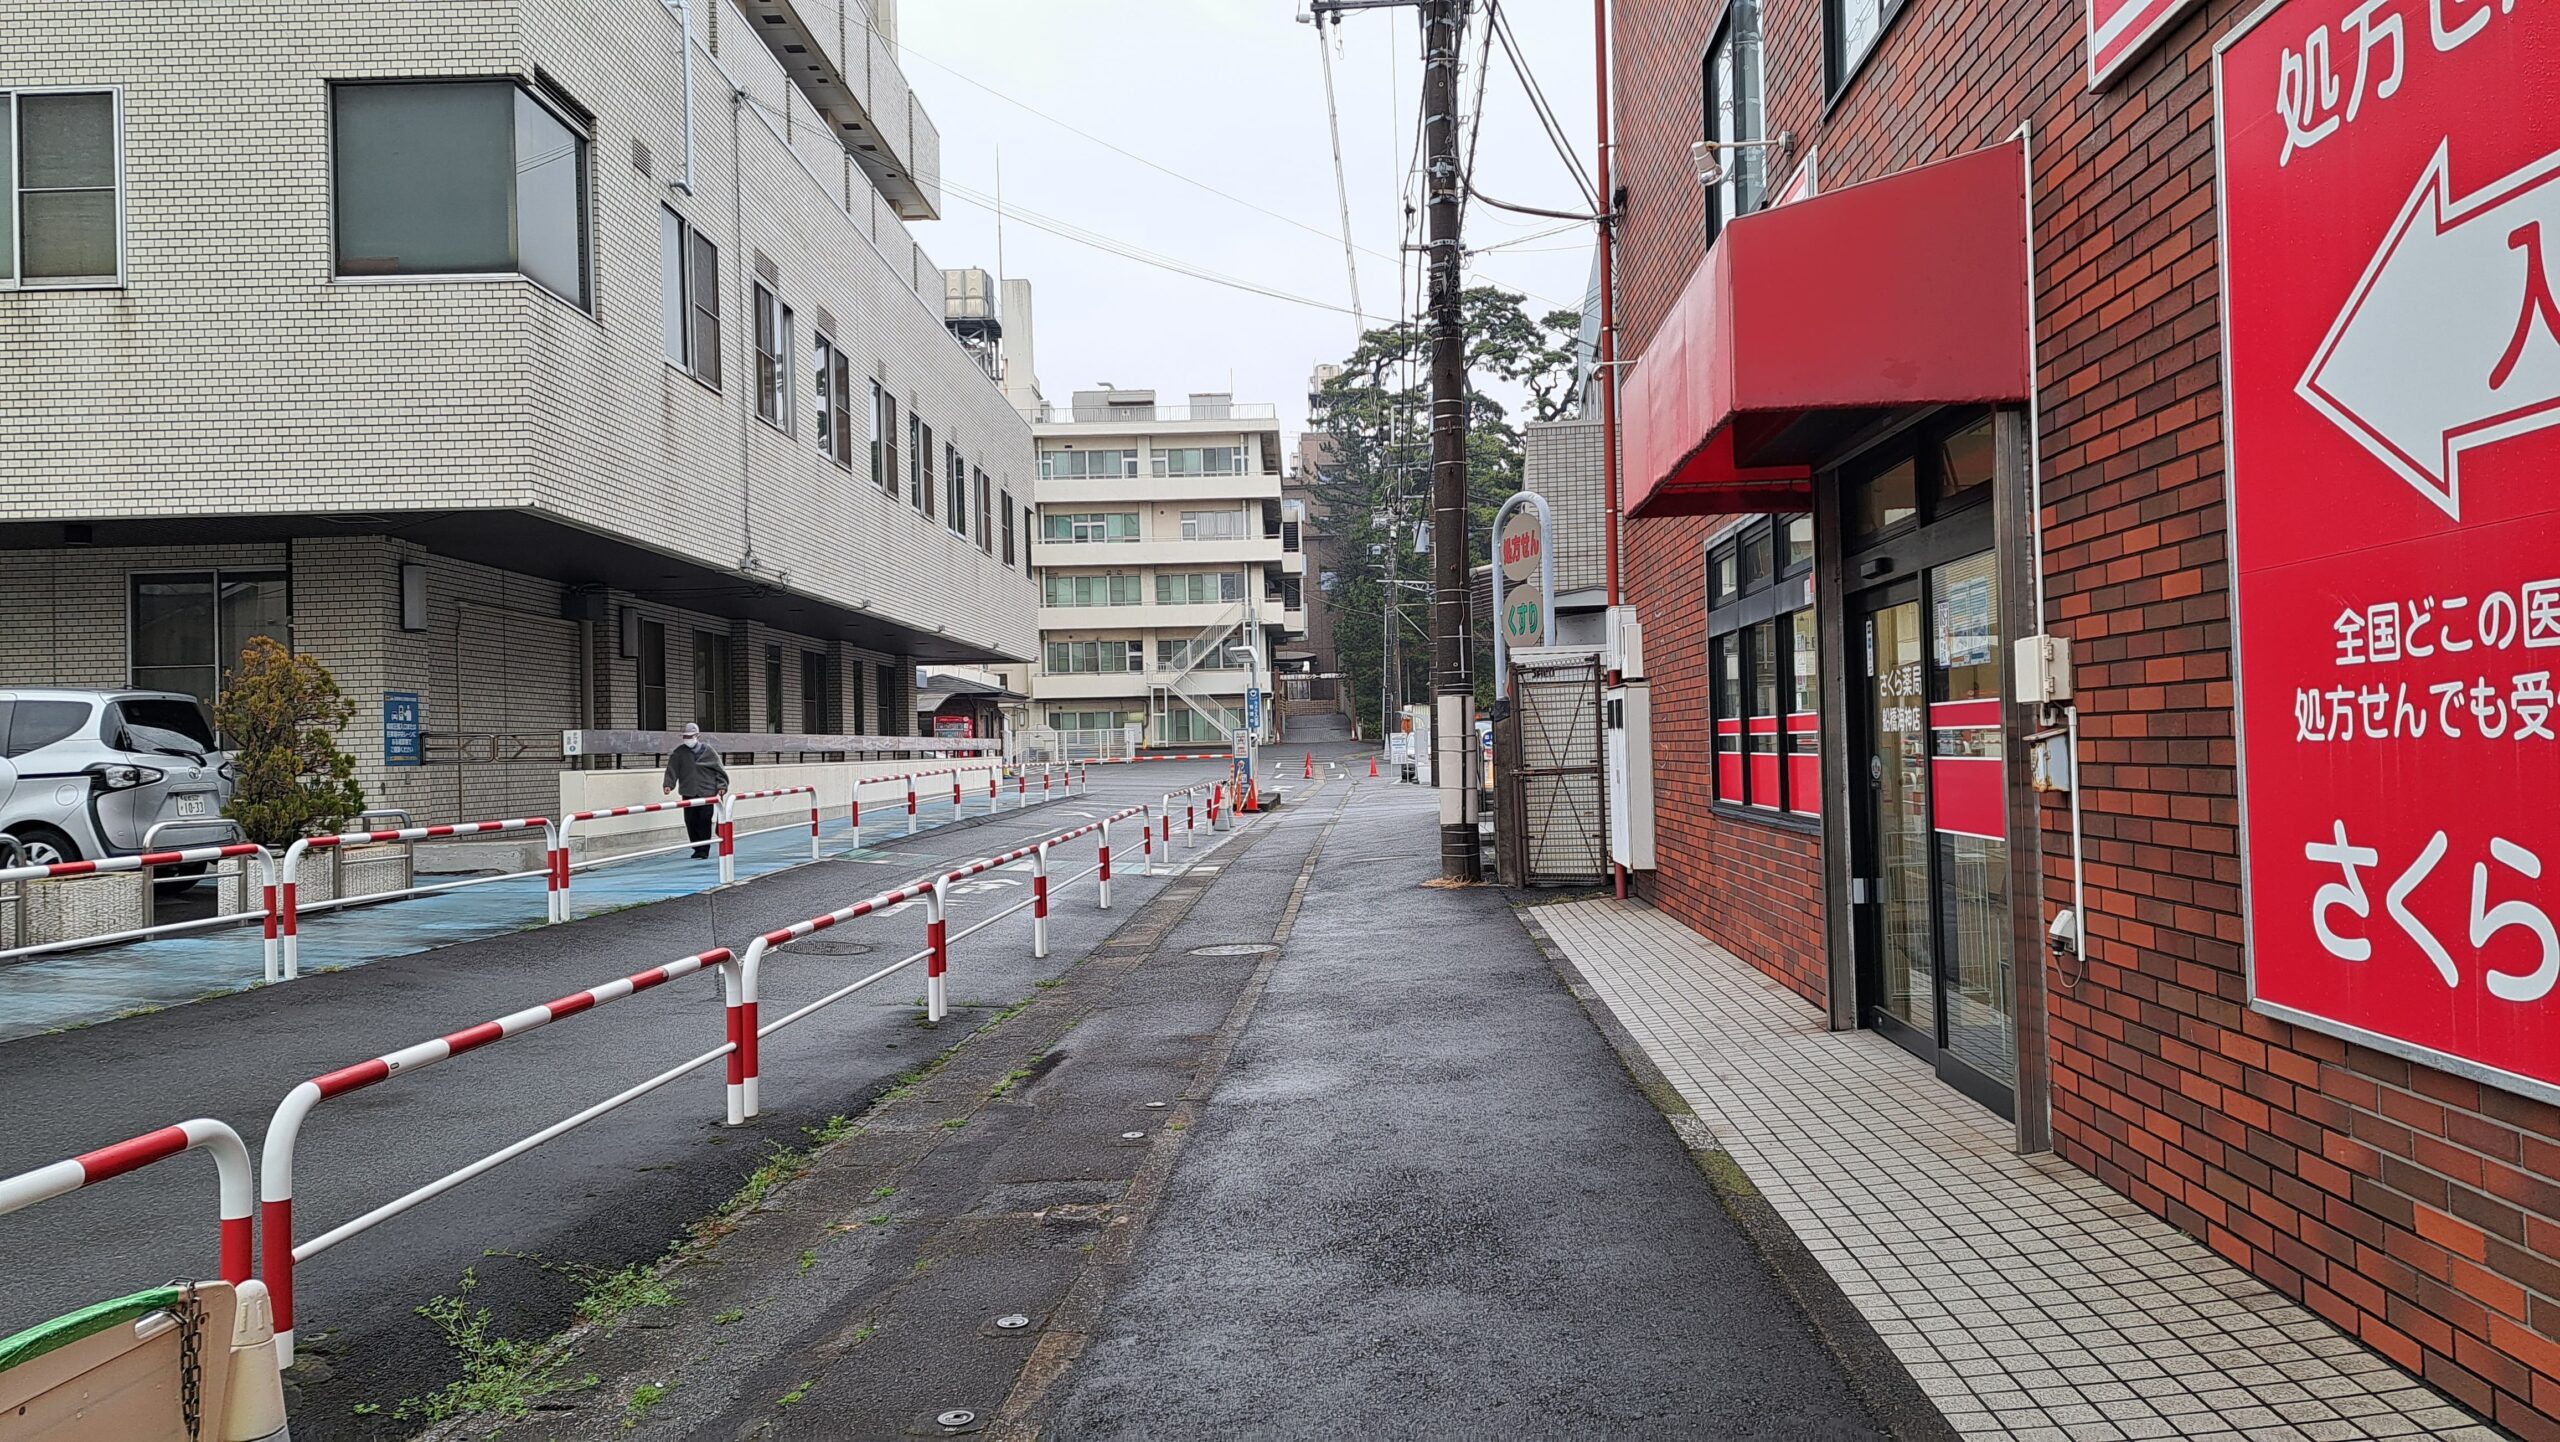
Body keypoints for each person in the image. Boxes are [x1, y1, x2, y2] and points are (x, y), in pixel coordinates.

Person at [662, 723, 729, 859]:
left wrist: (722, 786)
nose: (688, 739)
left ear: (697, 736)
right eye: (685, 737)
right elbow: (672, 769)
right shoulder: (679, 752)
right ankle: (696, 848)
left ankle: (704, 850)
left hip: (707, 792)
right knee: (690, 821)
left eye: (690, 736)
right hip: (688, 792)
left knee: (704, 820)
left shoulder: (708, 751)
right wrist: (668, 784)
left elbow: (719, 770)